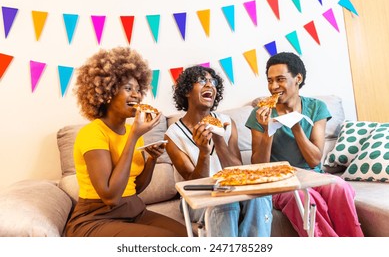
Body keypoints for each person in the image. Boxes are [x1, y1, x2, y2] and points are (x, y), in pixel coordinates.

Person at [64, 47, 187, 237]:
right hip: (96, 218)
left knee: (186, 236)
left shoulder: (131, 131)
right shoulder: (92, 133)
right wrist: (134, 138)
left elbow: (135, 188)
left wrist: (151, 160)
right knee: (167, 241)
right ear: (108, 92)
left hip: (134, 210)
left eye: (138, 90)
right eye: (128, 88)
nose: (136, 95)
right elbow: (111, 197)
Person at [245, 52, 364, 237]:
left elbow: (315, 160)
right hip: (280, 184)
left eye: (280, 79)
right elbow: (259, 166)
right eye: (270, 81)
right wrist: (268, 130)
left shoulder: (316, 107)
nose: (273, 86)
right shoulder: (259, 114)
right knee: (302, 197)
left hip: (312, 175)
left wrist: (296, 127)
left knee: (339, 187)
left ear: (298, 78)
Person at [165, 65, 273, 237]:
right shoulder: (173, 135)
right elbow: (195, 187)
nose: (209, 85)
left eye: (212, 81)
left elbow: (237, 172)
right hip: (195, 197)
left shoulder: (227, 122)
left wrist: (219, 139)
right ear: (186, 91)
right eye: (201, 81)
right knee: (226, 203)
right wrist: (203, 153)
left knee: (259, 198)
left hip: (231, 189)